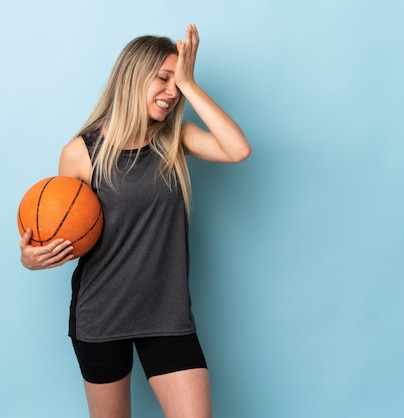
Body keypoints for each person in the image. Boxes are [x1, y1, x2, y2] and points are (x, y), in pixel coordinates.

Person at [19, 23, 250, 418]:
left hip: (166, 313)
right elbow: (60, 230)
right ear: (131, 77)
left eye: (177, 83)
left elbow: (237, 149)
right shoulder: (80, 153)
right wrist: (31, 258)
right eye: (163, 79)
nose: (171, 92)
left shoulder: (174, 138)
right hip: (101, 314)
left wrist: (190, 84)